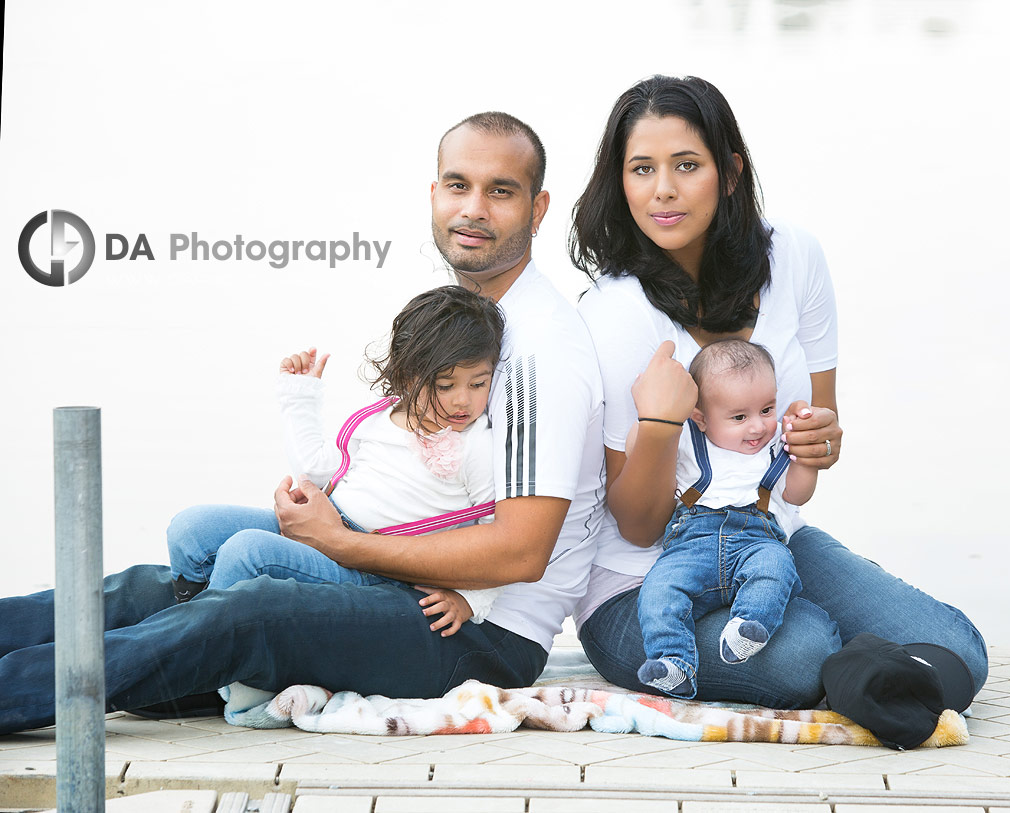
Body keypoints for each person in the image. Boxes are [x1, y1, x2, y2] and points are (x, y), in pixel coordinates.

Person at [0, 111, 605, 735]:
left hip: (478, 633)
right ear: (434, 195)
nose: (473, 208)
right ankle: (172, 668)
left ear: (537, 211)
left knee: (252, 611)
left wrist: (338, 543)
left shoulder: (540, 352)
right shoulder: (468, 327)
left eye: (500, 191)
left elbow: (522, 551)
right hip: (397, 574)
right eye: (458, 185)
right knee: (148, 592)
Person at [571, 74, 988, 708]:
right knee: (798, 658)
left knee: (959, 649)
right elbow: (637, 525)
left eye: (687, 165)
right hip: (641, 583)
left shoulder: (793, 257)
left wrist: (820, 440)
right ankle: (845, 665)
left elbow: (817, 424)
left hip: (768, 539)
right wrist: (658, 424)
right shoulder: (614, 312)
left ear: (730, 171)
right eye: (641, 169)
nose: (663, 190)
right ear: (618, 181)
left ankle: (853, 666)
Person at [167, 285, 505, 636]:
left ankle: (208, 665)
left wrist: (469, 600)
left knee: (248, 552)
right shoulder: (378, 418)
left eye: (478, 384)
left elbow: (496, 541)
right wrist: (300, 397)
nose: (462, 401)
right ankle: (195, 630)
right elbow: (314, 469)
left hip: (377, 569)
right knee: (191, 529)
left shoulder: (477, 445)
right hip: (325, 525)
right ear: (407, 376)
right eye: (445, 386)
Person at [634, 339, 817, 698]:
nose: (757, 427)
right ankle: (674, 663)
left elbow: (797, 495)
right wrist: (656, 417)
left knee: (777, 566)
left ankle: (748, 626)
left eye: (767, 409)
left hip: (757, 540)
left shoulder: (778, 445)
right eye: (739, 417)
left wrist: (806, 456)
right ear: (700, 418)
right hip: (691, 547)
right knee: (659, 591)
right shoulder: (688, 439)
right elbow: (634, 447)